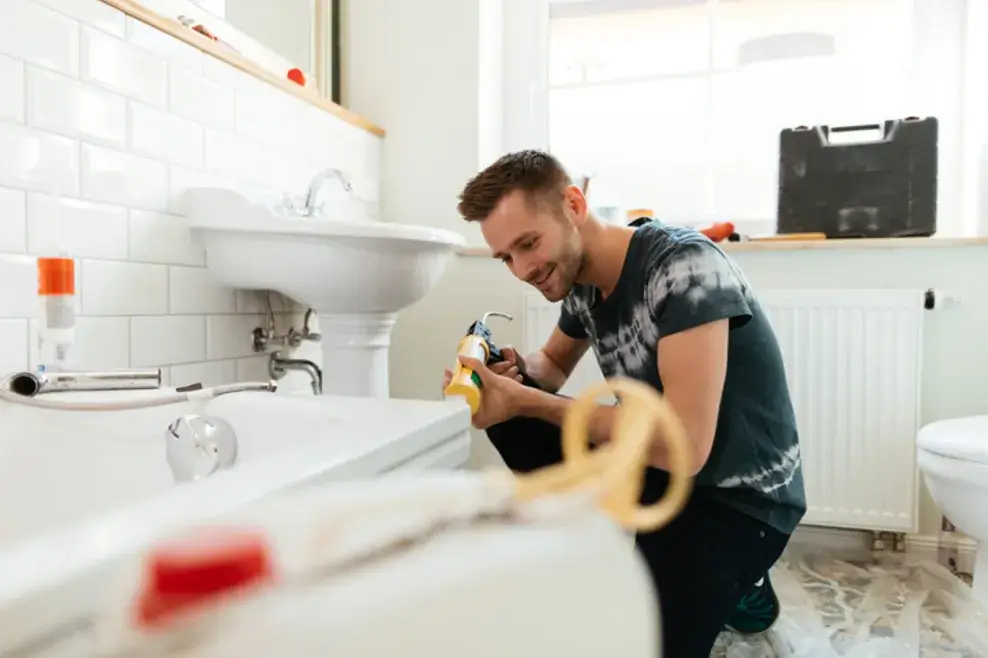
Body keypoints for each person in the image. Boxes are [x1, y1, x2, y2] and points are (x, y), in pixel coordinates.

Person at [443, 150, 807, 657]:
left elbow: (685, 445)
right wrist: (502, 376)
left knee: (647, 645)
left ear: (573, 204)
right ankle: (613, 551)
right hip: (659, 470)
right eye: (506, 257)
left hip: (737, 497)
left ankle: (741, 580)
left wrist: (527, 400)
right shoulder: (578, 280)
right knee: (511, 418)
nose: (522, 269)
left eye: (528, 244)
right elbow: (548, 367)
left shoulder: (683, 266)